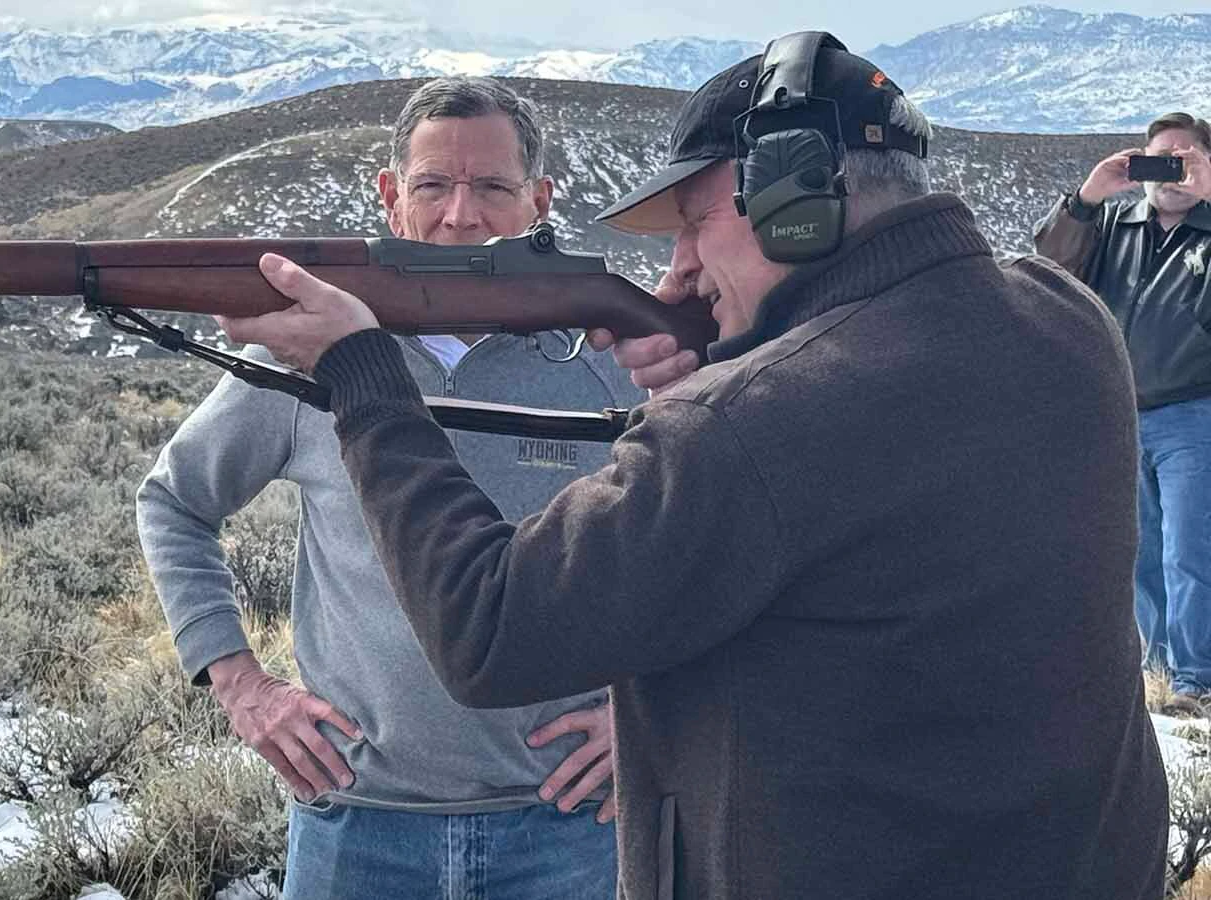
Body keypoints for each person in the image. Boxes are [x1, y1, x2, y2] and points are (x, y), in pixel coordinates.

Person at [219, 33, 1168, 900]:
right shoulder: (1063, 317)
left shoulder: (754, 424)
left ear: (793, 199)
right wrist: (734, 347)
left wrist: (362, 375)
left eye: (693, 221)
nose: (673, 270)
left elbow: (491, 628)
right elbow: (861, 452)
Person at [137, 76, 640, 899]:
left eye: (492, 188)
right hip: (357, 825)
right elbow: (174, 501)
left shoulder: (616, 359)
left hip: (568, 827)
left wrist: (645, 715)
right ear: (389, 196)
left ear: (540, 201)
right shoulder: (309, 354)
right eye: (433, 184)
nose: (460, 215)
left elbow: (690, 550)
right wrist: (241, 685)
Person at [1034, 113, 1211, 716]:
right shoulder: (1115, 223)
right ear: (1140, 167)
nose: (1173, 173)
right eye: (1161, 159)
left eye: (1186, 159)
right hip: (1120, 411)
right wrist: (1087, 196)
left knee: (1189, 547)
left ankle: (1196, 678)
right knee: (1137, 548)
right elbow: (1051, 263)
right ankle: (1157, 673)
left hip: (1194, 411)